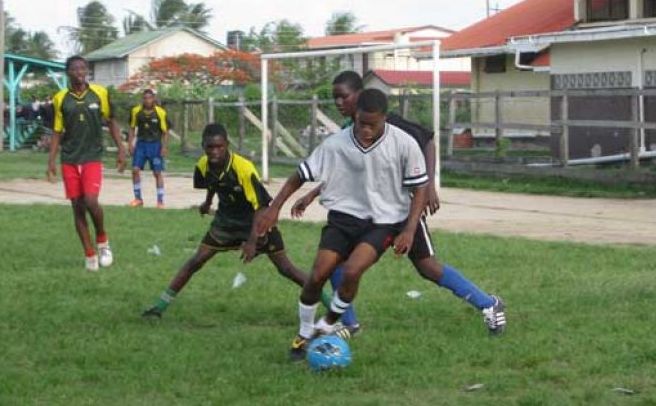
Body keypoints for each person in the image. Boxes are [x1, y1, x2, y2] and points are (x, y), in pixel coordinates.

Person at [293, 71, 506, 337]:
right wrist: (312, 194)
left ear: (360, 96)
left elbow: (427, 140)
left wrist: (428, 185)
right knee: (340, 263)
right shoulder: (352, 131)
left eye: (343, 96)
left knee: (427, 266)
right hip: (367, 213)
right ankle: (347, 322)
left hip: (401, 210)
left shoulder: (388, 123)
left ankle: (489, 304)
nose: (338, 102)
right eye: (334, 97)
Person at [255, 89, 430, 361]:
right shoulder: (336, 144)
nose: (366, 129)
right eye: (361, 122)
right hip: (343, 219)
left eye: (373, 123)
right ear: (356, 116)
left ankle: (328, 323)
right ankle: (303, 334)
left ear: (385, 118)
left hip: (384, 223)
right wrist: (274, 208)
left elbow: (420, 188)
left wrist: (409, 229)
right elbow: (298, 176)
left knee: (351, 271)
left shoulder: (404, 144)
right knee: (317, 276)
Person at [142, 123, 331, 318]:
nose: (215, 151)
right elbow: (212, 183)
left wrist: (252, 241)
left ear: (227, 145)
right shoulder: (202, 165)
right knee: (196, 261)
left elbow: (261, 206)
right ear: (203, 146)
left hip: (256, 222)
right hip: (226, 221)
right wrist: (207, 203)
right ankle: (159, 308)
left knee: (286, 269)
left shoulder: (243, 169)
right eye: (210, 147)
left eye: (219, 147)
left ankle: (331, 305)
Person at [46, 55, 127, 271]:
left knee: (91, 201)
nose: (80, 72)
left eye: (83, 68)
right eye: (75, 69)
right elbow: (56, 131)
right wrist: (51, 160)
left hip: (92, 156)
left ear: (87, 72)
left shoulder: (100, 93)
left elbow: (111, 122)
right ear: (68, 73)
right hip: (70, 158)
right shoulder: (60, 99)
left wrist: (121, 149)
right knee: (77, 207)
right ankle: (89, 254)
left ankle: (102, 240)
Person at [127, 89, 169, 209]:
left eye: (149, 98)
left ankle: (160, 201)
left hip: (155, 145)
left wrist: (164, 147)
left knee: (157, 173)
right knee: (135, 170)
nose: (147, 100)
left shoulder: (160, 112)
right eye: (145, 98)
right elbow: (131, 128)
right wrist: (130, 144)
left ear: (153, 99)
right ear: (142, 99)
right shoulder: (136, 111)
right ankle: (138, 198)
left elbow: (166, 132)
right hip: (141, 145)